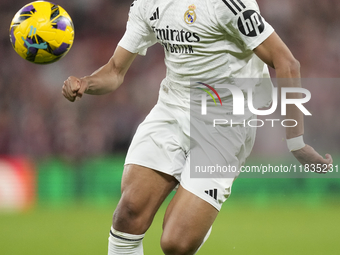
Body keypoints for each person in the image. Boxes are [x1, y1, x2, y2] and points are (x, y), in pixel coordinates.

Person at [62, 0, 333, 254]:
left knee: (176, 244)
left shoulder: (226, 4)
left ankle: (198, 209)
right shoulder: (147, 4)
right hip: (172, 109)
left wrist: (296, 143)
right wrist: (87, 83)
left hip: (225, 122)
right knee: (128, 213)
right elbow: (114, 71)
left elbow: (287, 62)